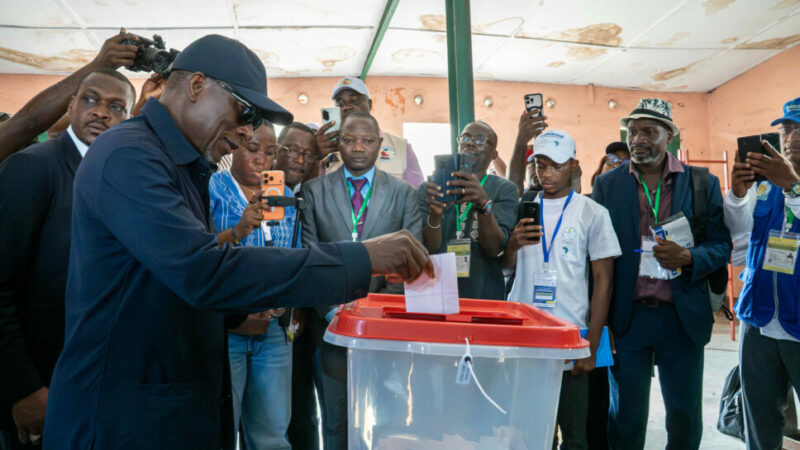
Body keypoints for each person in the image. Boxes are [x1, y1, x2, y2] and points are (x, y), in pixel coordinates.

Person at [42, 34, 431, 450]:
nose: (247, 133)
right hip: (120, 419)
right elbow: (204, 271)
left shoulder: (180, 166)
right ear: (196, 86)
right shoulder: (130, 155)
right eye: (244, 112)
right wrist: (361, 257)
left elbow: (174, 280)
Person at [0, 68, 135, 449]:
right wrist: (22, 388)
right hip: (43, 387)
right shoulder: (31, 167)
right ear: (72, 105)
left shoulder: (126, 178)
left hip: (105, 385)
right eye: (90, 100)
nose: (101, 112)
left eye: (116, 107)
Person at [592, 98, 731, 449]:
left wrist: (688, 256)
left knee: (684, 419)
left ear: (669, 135)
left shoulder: (702, 183)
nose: (638, 139)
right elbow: (594, 254)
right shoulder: (608, 186)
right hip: (628, 318)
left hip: (680, 317)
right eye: (633, 131)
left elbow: (720, 246)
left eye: (649, 132)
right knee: (625, 418)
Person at [302, 111, 424, 450]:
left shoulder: (403, 194)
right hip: (330, 328)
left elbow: (408, 261)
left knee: (389, 419)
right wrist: (335, 314)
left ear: (380, 145)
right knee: (336, 422)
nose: (358, 148)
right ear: (337, 144)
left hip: (386, 330)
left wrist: (373, 314)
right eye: (350, 140)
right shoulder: (313, 192)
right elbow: (309, 258)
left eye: (368, 141)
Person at [505, 130, 620, 449]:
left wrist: (592, 345)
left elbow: (604, 282)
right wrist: (512, 244)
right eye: (540, 165)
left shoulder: (592, 212)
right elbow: (504, 268)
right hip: (525, 337)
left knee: (575, 436)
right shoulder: (522, 207)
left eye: (555, 166)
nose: (546, 173)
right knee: (528, 433)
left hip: (571, 340)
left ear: (573, 165)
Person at [208, 123, 296, 449]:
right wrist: (238, 230)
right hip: (225, 330)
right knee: (221, 429)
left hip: (272, 333)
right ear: (235, 147)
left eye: (271, 152)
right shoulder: (211, 188)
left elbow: (294, 256)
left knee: (272, 434)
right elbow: (195, 254)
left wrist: (288, 300)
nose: (262, 160)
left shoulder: (283, 196)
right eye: (254, 149)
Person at [723, 97, 800, 450]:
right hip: (759, 321)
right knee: (760, 423)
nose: (792, 136)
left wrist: (794, 187)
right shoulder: (765, 186)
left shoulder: (784, 184)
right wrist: (738, 196)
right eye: (786, 128)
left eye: (799, 128)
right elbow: (738, 245)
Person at [0, 29, 139, 162]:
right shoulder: (28, 163)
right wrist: (100, 64)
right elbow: (30, 123)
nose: (100, 112)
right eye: (90, 99)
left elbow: (84, 119)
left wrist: (145, 101)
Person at [420, 121, 519, 300]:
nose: (470, 143)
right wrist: (435, 214)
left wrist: (483, 204)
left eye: (480, 140)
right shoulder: (432, 188)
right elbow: (428, 248)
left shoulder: (504, 190)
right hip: (436, 290)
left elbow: (494, 249)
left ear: (494, 154)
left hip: (483, 292)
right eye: (465, 137)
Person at [315, 77, 424, 186]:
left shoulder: (401, 148)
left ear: (370, 104)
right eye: (340, 104)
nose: (346, 107)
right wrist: (316, 157)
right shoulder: (328, 153)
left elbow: (417, 197)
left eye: (354, 100)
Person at [507, 108, 549, 196]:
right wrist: (521, 140)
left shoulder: (561, 196)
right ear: (524, 175)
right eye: (534, 165)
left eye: (541, 166)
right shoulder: (519, 200)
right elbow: (513, 187)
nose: (538, 171)